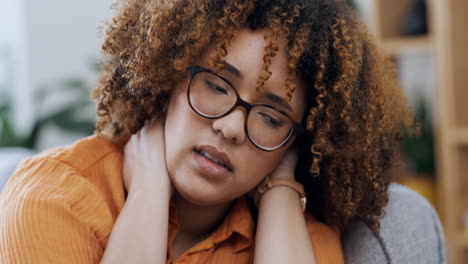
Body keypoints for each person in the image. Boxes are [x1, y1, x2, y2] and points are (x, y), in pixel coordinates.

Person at [0, 0, 414, 263]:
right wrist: (147, 193)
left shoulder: (293, 234)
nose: (232, 127)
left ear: (297, 143)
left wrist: (281, 193)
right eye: (216, 86)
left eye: (271, 117)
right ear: (168, 75)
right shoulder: (54, 200)